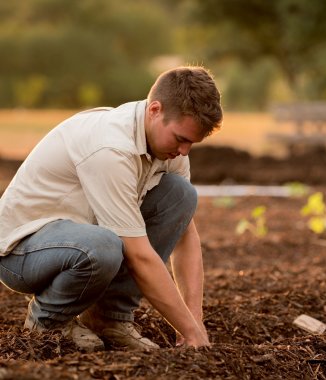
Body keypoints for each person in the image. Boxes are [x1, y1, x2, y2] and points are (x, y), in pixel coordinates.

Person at [0, 66, 223, 352]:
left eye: (192, 142)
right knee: (103, 246)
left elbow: (185, 234)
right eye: (181, 139)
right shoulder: (111, 149)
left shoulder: (168, 148)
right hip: (21, 251)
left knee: (180, 195)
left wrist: (194, 321)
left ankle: (108, 319)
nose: (185, 151)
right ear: (155, 110)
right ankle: (49, 321)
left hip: (78, 238)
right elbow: (139, 256)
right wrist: (189, 331)